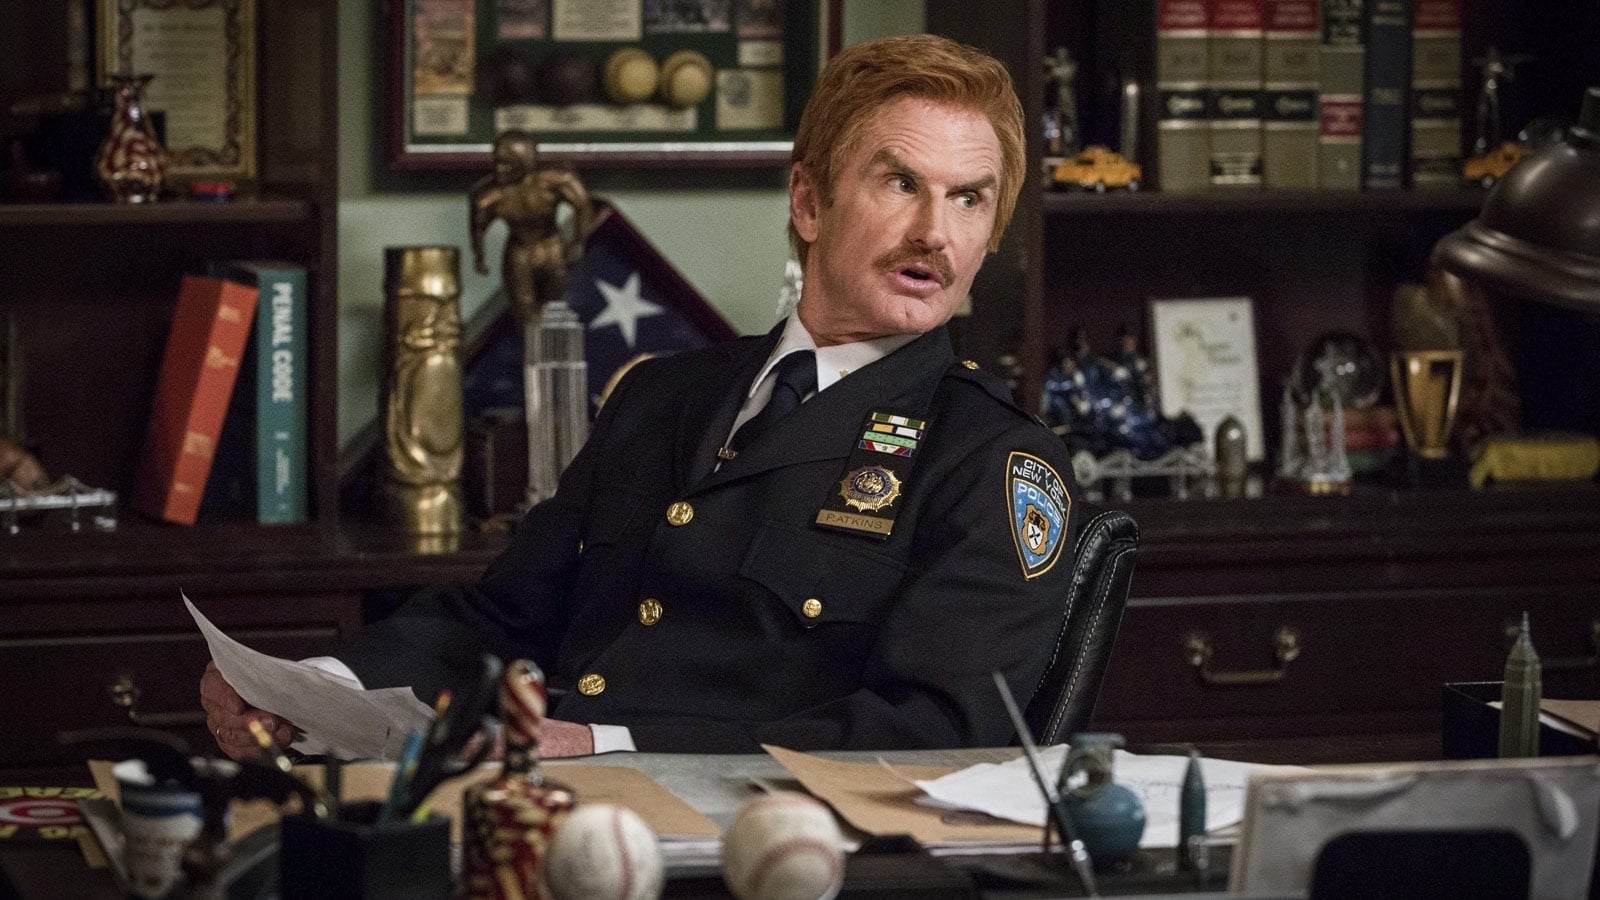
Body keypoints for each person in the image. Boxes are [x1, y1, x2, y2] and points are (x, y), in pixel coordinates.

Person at [203, 33, 1081, 759]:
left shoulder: (991, 459)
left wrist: (611, 743)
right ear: (809, 202)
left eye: (970, 200)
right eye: (901, 184)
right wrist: (312, 689)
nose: (935, 233)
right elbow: (502, 616)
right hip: (551, 817)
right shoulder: (662, 395)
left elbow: (937, 734)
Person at [468, 130, 593, 325]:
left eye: (508, 163)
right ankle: (531, 341)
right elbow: (478, 229)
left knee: (558, 310)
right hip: (520, 251)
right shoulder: (489, 198)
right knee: (525, 311)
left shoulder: (556, 181)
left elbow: (583, 204)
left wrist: (579, 241)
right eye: (497, 162)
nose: (500, 169)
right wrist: (479, 256)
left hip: (552, 246)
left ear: (524, 161)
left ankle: (554, 343)